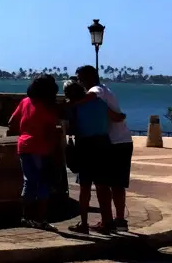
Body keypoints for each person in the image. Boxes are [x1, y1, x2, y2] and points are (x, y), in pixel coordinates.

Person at [76, 65, 131, 231]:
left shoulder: (95, 90)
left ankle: (108, 222)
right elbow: (117, 116)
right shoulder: (106, 89)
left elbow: (92, 97)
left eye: (79, 79)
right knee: (117, 183)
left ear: (87, 78)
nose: (79, 82)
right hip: (123, 140)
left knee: (104, 184)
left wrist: (69, 104)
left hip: (112, 142)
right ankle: (119, 220)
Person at [63, 79, 117, 234]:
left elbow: (71, 127)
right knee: (103, 186)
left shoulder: (74, 107)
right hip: (104, 144)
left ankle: (84, 223)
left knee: (85, 186)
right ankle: (108, 221)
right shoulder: (100, 102)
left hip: (86, 146)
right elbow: (112, 117)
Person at [8, 75, 61, 229]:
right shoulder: (47, 107)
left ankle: (25, 217)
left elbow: (12, 122)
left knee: (29, 181)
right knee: (42, 183)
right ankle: (40, 219)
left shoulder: (25, 102)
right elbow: (51, 130)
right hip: (41, 148)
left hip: (24, 146)